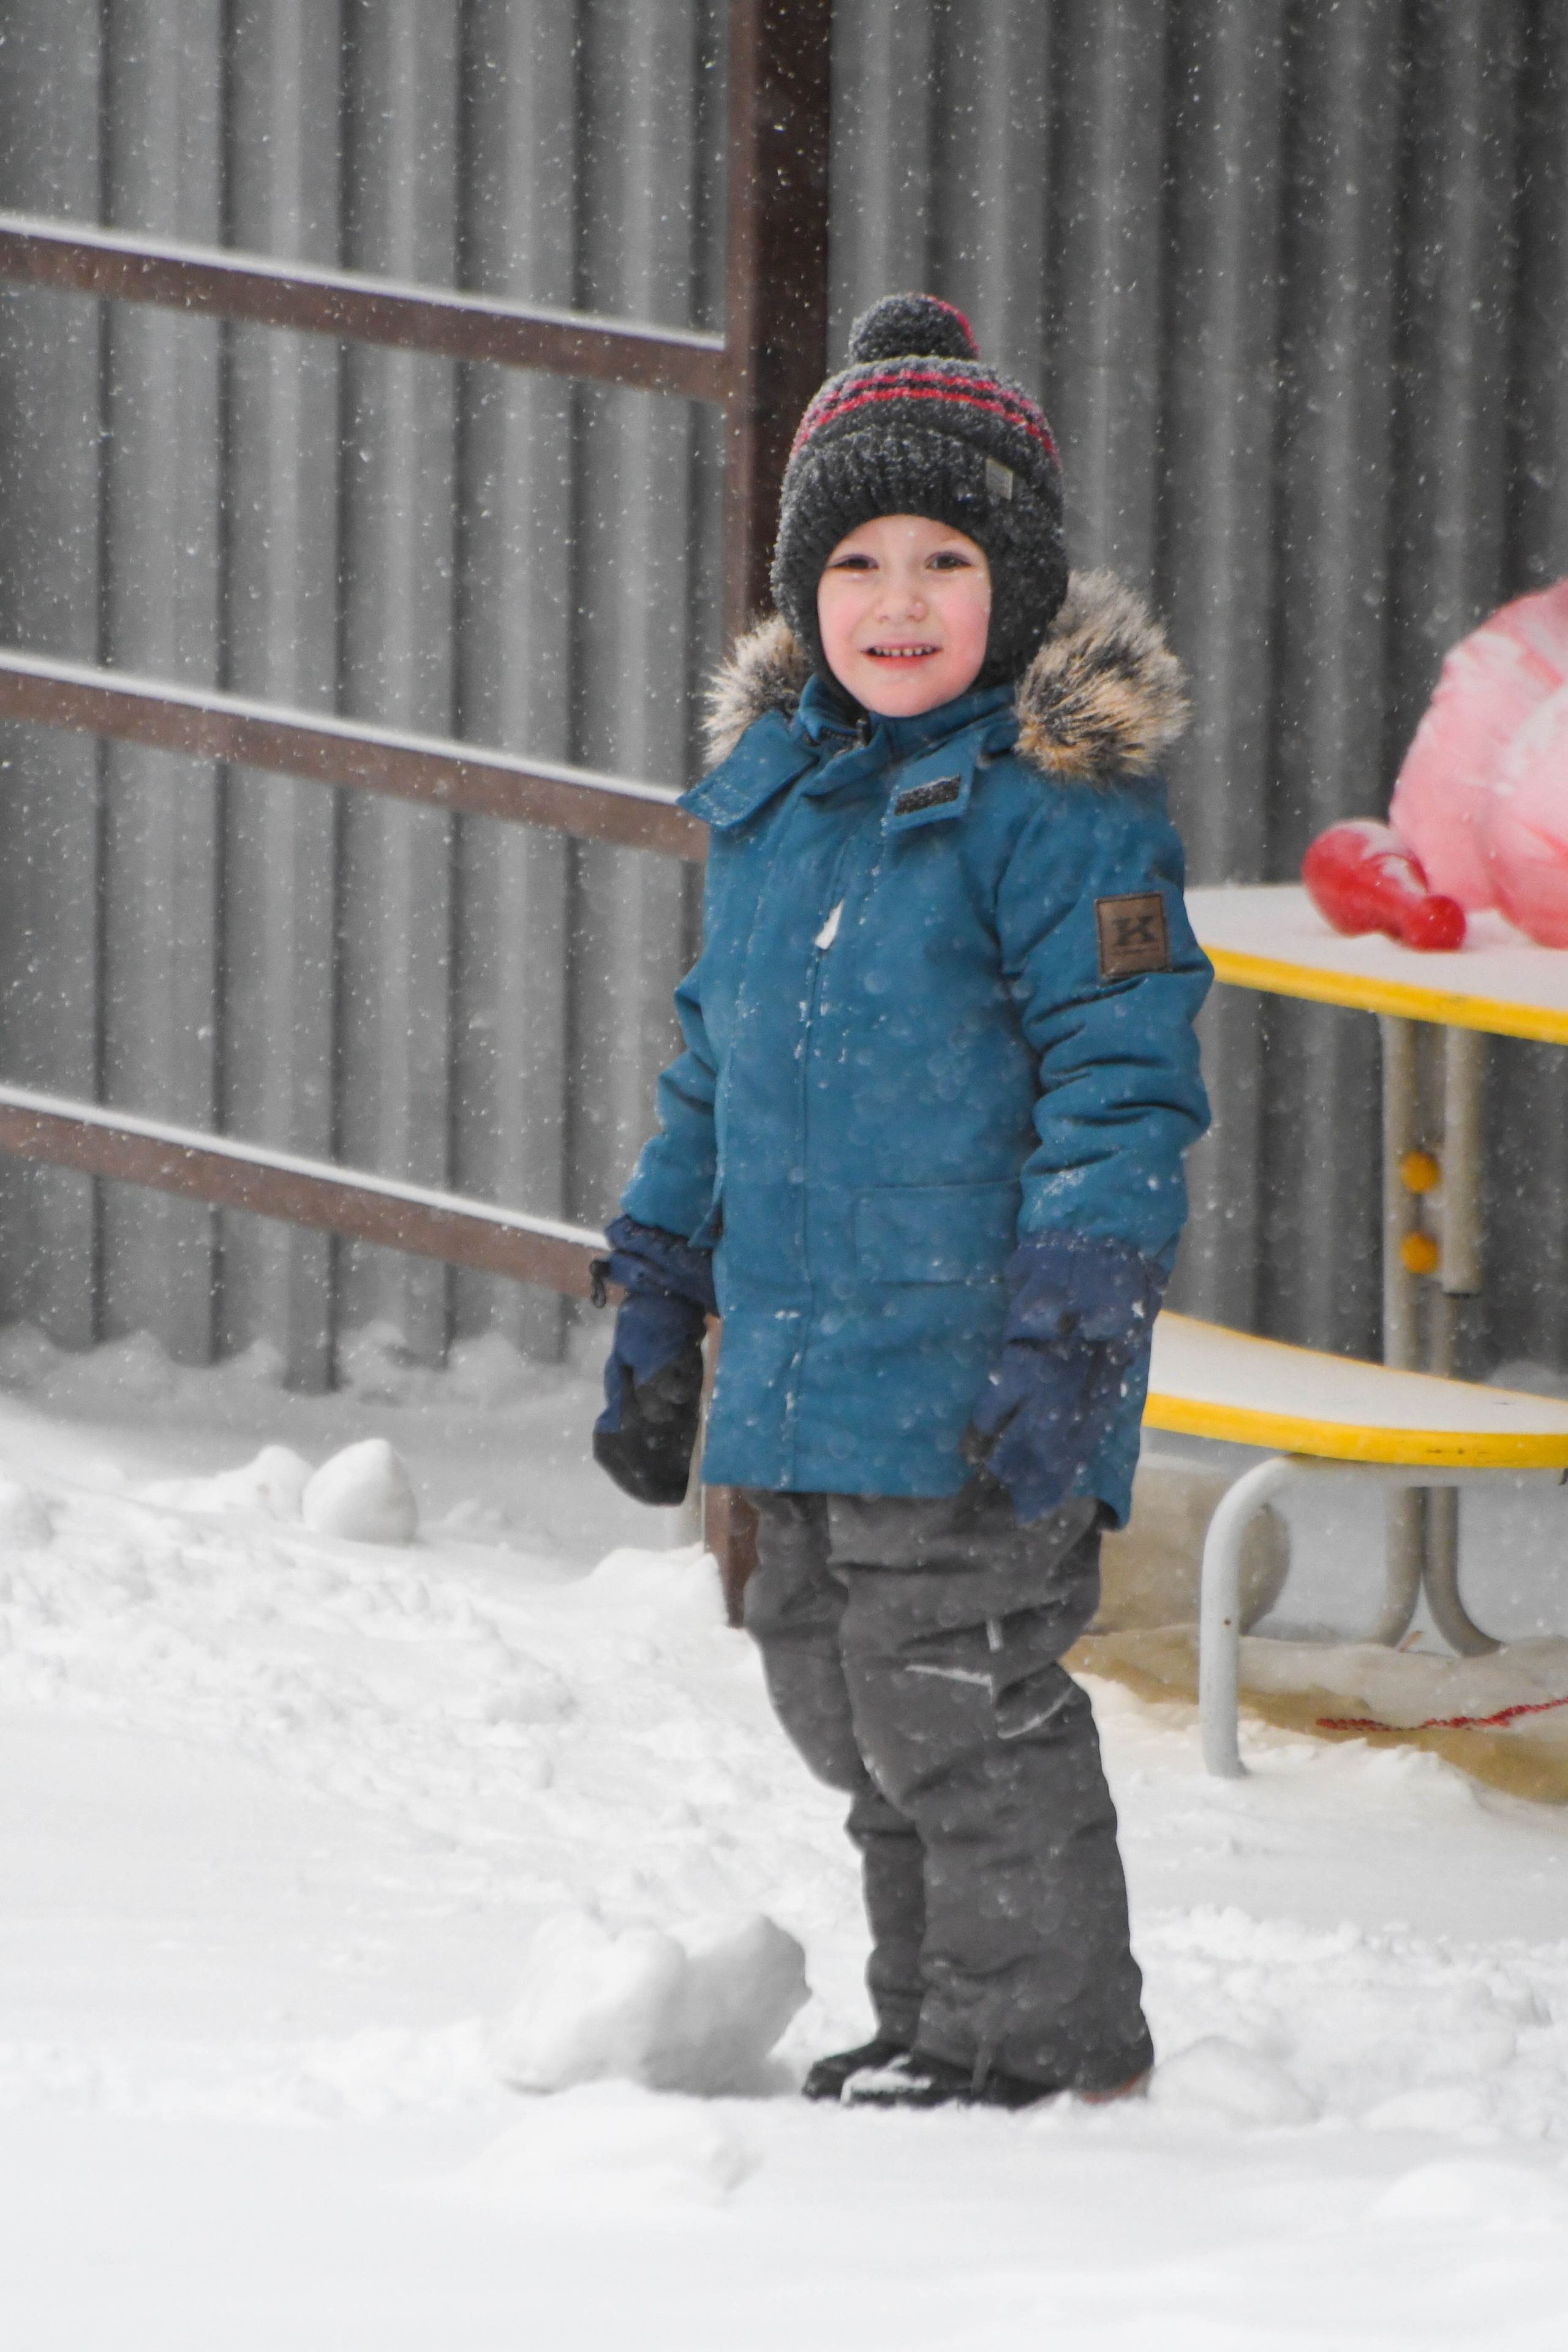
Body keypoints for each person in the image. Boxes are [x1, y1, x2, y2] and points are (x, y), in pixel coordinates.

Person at [590, 293, 1211, 2110]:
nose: (900, 600)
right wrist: (659, 1280)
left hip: (974, 1368)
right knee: (838, 1695)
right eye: (856, 562)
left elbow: (1122, 1079)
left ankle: (1037, 2047)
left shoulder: (1064, 819)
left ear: (1014, 585)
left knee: (959, 1701)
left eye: (947, 558)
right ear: (808, 595)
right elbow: (715, 1071)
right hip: (800, 1373)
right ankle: (931, 2014)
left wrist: (1075, 1309)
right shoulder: (781, 805)